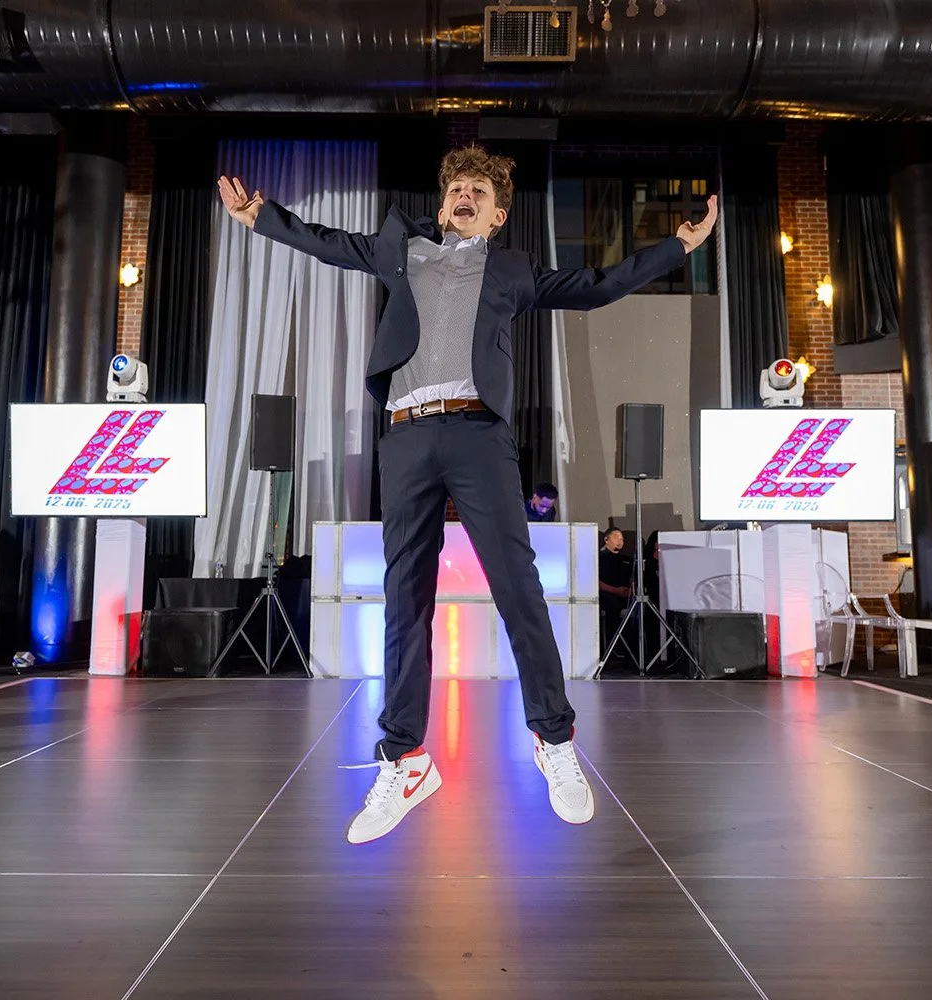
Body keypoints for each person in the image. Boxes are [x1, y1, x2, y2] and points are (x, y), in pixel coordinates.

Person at [218, 147, 716, 845]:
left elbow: (598, 284)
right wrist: (258, 218)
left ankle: (554, 739)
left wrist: (677, 246)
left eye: (477, 190)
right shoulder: (402, 246)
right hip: (407, 436)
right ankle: (405, 758)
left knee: (518, 587)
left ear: (498, 214)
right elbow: (328, 245)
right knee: (405, 600)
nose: (462, 195)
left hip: (479, 434)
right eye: (455, 186)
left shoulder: (511, 270)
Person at [597, 528, 634, 662]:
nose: (620, 541)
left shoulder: (626, 560)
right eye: (616, 537)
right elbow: (596, 582)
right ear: (606, 539)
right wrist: (615, 590)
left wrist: (630, 590)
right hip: (607, 594)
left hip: (625, 595)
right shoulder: (599, 558)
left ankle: (632, 648)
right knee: (612, 606)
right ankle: (614, 647)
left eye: (622, 539)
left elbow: (632, 580)